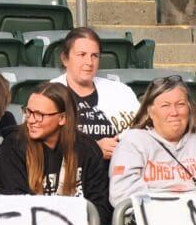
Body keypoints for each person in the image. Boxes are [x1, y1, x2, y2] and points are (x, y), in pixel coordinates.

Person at [109, 75, 196, 205]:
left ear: (189, 108)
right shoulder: (133, 141)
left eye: (180, 104)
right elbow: (122, 193)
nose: (174, 112)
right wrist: (168, 213)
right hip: (151, 220)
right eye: (165, 105)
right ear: (150, 112)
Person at [0, 81, 111, 224]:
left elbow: (101, 209)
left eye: (39, 115)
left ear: (62, 118)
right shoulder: (13, 148)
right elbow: (16, 209)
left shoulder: (87, 149)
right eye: (28, 112)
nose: (31, 120)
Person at [52, 27, 139, 161]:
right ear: (65, 58)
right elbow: (42, 146)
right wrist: (94, 149)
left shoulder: (121, 92)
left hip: (116, 174)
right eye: (82, 55)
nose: (89, 62)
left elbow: (142, 137)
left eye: (95, 55)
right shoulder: (49, 94)